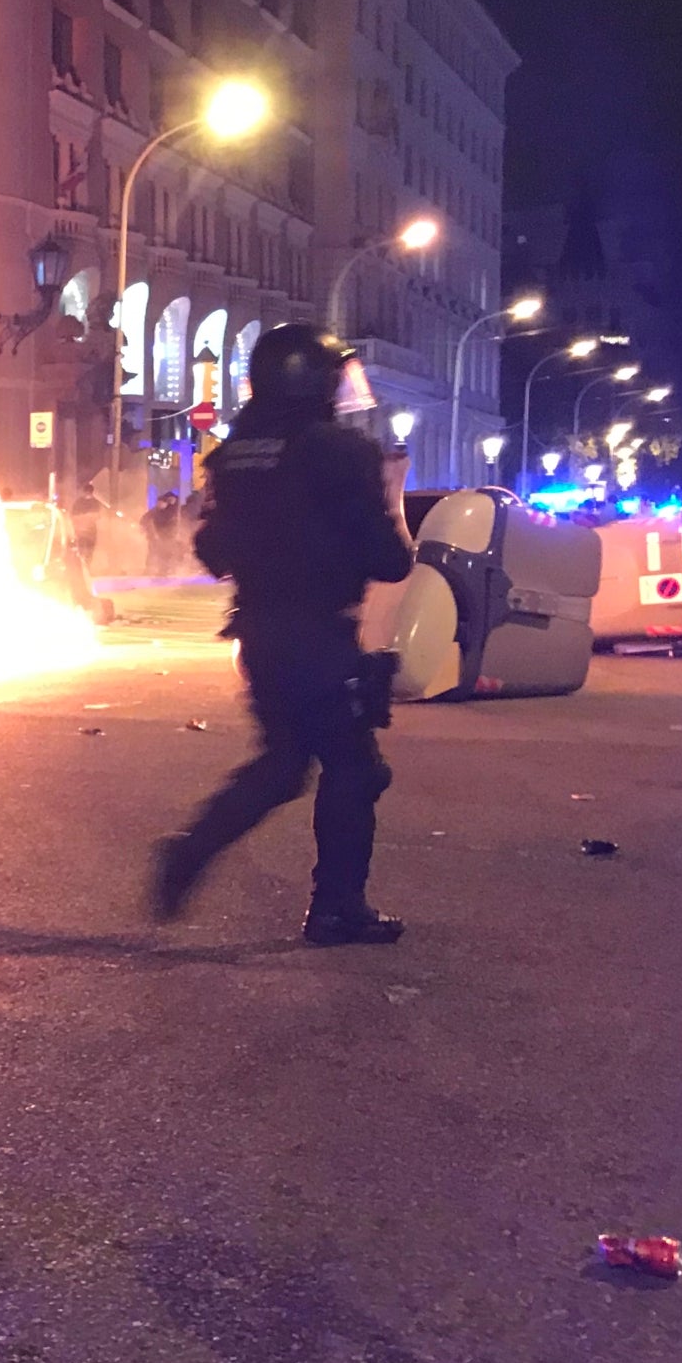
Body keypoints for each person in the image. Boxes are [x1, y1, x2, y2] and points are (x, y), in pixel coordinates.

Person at [149, 324, 415, 945]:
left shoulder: (235, 455)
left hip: (260, 633)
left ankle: (190, 852)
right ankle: (337, 909)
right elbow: (388, 558)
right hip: (320, 633)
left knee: (285, 762)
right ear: (307, 379)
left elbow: (213, 549)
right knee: (354, 768)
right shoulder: (340, 451)